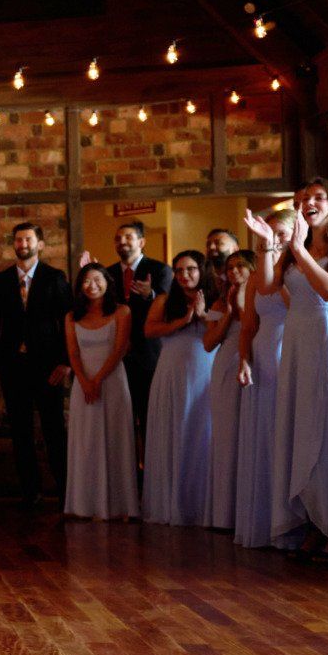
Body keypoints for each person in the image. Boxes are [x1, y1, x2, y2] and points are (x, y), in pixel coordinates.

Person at [243, 177, 328, 562]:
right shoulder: (294, 248)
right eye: (303, 198)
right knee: (301, 426)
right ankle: (314, 521)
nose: (309, 202)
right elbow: (266, 287)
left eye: (318, 197)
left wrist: (299, 249)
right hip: (297, 340)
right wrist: (268, 243)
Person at [0, 222, 71, 503]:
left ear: (40, 245)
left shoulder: (55, 278)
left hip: (48, 367)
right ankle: (30, 491)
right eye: (18, 240)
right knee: (20, 431)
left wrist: (65, 362)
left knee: (53, 428)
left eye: (28, 239)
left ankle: (66, 491)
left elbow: (68, 322)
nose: (23, 244)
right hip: (13, 367)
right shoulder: (1, 280)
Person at [141, 251, 218, 526]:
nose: (184, 275)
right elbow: (149, 330)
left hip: (205, 371)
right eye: (179, 270)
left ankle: (202, 506)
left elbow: (223, 330)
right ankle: (171, 504)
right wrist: (183, 321)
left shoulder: (216, 295)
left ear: (202, 270)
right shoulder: (164, 299)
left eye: (191, 269)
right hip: (171, 371)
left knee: (202, 434)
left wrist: (202, 315)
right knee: (174, 430)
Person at [234, 211, 294, 549]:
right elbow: (247, 327)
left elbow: (297, 305)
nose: (273, 237)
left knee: (287, 433)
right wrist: (244, 359)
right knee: (265, 436)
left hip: (293, 350)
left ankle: (293, 521)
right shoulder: (256, 278)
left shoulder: (299, 272)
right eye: (267, 232)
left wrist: (284, 262)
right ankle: (267, 520)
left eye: (280, 232)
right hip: (263, 356)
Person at [63, 262, 137, 520]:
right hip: (83, 384)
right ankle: (84, 505)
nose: (92, 285)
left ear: (107, 282)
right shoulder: (72, 316)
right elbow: (72, 352)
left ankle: (119, 507)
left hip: (113, 380)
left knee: (115, 438)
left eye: (97, 280)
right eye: (86, 280)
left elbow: (119, 349)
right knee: (86, 441)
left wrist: (98, 380)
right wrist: (84, 380)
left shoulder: (122, 311)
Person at [106, 221, 174, 433]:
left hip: (148, 353)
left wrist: (150, 295)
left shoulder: (159, 269)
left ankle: (150, 464)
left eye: (128, 237)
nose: (122, 242)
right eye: (118, 238)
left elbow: (169, 306)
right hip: (117, 353)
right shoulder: (107, 273)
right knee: (122, 418)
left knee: (149, 416)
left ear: (142, 242)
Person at [202, 252, 252, 531]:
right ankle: (225, 514)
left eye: (241, 266)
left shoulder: (265, 295)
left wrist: (243, 301)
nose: (234, 272)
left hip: (256, 361)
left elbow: (253, 326)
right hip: (226, 365)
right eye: (230, 268)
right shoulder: (221, 301)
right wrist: (229, 312)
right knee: (226, 436)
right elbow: (208, 343)